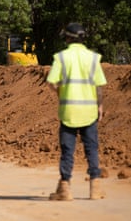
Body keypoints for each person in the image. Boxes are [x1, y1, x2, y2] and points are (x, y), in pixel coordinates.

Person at [46, 22, 107, 201]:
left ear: (67, 38)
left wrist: (60, 92)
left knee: (67, 151)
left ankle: (65, 188)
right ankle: (95, 189)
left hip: (69, 112)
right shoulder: (93, 58)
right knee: (92, 149)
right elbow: (99, 87)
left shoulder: (61, 58)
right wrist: (100, 106)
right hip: (89, 112)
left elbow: (51, 82)